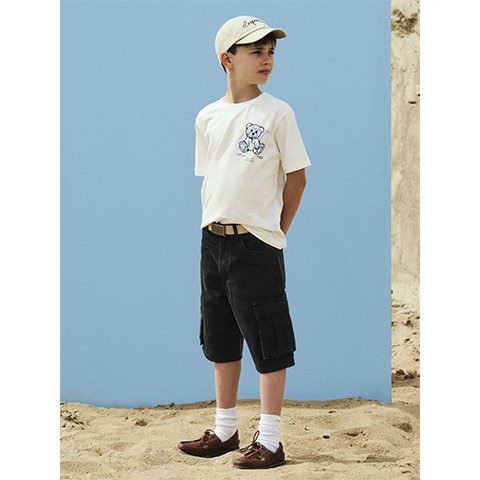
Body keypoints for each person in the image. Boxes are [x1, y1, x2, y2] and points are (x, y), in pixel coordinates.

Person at [177, 15, 311, 469]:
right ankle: (225, 430)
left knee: (269, 340)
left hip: (256, 243)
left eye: (271, 52)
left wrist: (275, 232)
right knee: (219, 336)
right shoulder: (207, 117)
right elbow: (215, 177)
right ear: (227, 59)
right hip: (213, 240)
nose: (267, 59)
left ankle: (270, 440)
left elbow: (297, 177)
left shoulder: (277, 113)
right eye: (256, 51)